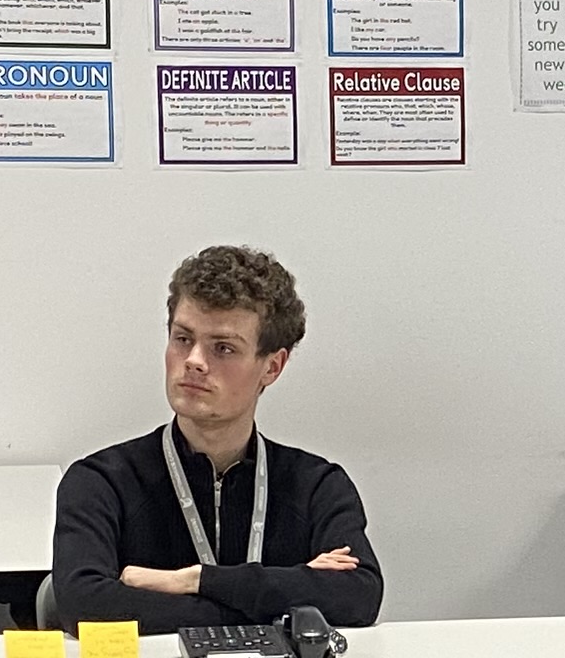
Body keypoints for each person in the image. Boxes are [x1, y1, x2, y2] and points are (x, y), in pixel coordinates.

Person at [50, 245, 382, 637]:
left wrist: (194, 581)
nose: (194, 360)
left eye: (222, 348)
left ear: (272, 366)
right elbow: (85, 605)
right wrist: (279, 598)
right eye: (182, 338)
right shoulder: (100, 481)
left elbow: (359, 595)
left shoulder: (317, 485)